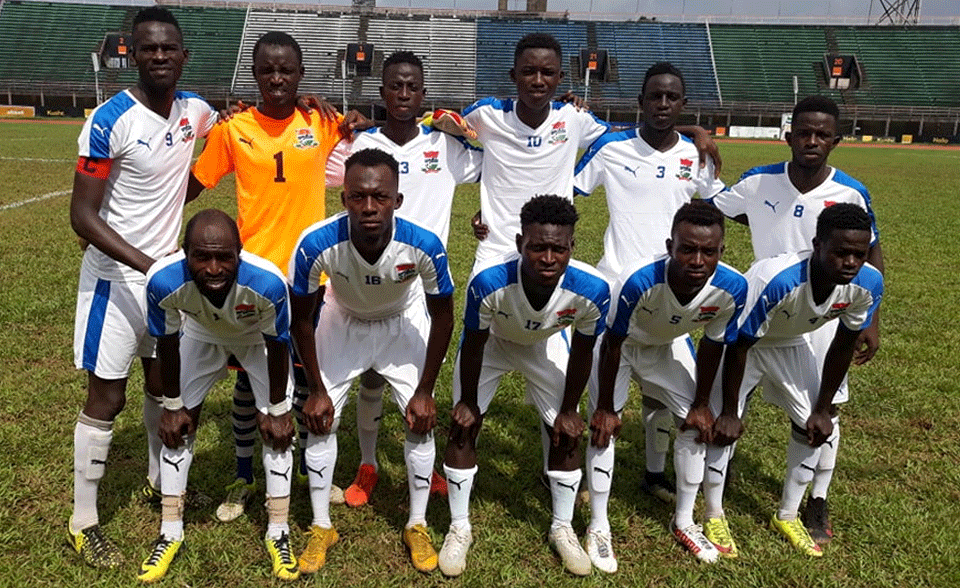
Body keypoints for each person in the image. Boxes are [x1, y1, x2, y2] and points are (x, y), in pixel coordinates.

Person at [68, 6, 217, 567]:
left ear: (184, 55)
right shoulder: (110, 120)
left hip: (164, 281)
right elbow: (83, 216)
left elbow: (233, 127)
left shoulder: (195, 111)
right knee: (107, 398)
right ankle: (83, 520)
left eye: (168, 48)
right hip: (115, 283)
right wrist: (148, 263)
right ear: (132, 53)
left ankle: (159, 483)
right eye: (148, 48)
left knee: (162, 387)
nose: (159, 56)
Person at [707, 95, 884, 543]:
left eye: (822, 134)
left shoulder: (851, 192)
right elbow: (716, 209)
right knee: (734, 397)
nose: (812, 141)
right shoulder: (758, 181)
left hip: (823, 316)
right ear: (789, 136)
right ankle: (720, 475)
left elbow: (871, 251)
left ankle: (816, 500)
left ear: (836, 141)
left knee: (824, 409)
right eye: (804, 132)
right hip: (768, 303)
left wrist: (871, 321)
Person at [189, 30, 349, 521]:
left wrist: (355, 119)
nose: (276, 78)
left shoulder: (320, 121)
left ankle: (300, 469)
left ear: (301, 75)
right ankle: (243, 476)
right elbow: (194, 184)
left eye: (286, 70)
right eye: (267, 70)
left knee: (303, 376)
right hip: (253, 277)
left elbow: (362, 135)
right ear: (255, 74)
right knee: (248, 383)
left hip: (309, 277)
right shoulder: (233, 129)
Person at [324, 50, 481, 507]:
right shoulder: (360, 143)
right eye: (396, 86)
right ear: (382, 92)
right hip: (365, 278)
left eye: (413, 87)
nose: (404, 94)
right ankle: (368, 463)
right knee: (371, 378)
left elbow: (498, 163)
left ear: (424, 95)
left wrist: (484, 215)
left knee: (418, 387)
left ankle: (425, 467)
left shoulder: (445, 146)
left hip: (423, 286)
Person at [289, 148, 455, 574]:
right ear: (343, 197)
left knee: (420, 419)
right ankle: (321, 526)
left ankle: (417, 523)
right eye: (357, 196)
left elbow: (443, 316)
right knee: (321, 417)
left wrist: (425, 390)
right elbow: (301, 318)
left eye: (380, 197)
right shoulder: (314, 243)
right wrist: (315, 388)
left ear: (397, 200)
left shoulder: (424, 244)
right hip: (342, 319)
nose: (368, 207)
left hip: (401, 321)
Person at [575, 62, 727, 511]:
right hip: (616, 297)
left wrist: (697, 135)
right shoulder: (611, 148)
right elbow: (565, 191)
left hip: (671, 299)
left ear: (683, 104)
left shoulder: (694, 156)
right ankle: (591, 492)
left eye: (672, 97)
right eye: (655, 96)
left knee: (678, 405)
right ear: (640, 102)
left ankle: (655, 474)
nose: (663, 103)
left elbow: (723, 203)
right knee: (604, 408)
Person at [438, 195, 610, 577]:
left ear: (572, 246)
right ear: (519, 244)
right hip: (493, 344)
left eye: (558, 249)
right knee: (463, 425)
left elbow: (583, 352)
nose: (548, 258)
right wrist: (468, 402)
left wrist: (570, 409)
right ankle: (459, 527)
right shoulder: (489, 281)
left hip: (544, 344)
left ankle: (562, 527)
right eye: (537, 247)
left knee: (566, 431)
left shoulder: (592, 289)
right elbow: (474, 343)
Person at [138, 210, 297, 582]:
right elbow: (167, 344)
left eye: (224, 257)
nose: (213, 268)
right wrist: (172, 406)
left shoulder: (268, 283)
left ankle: (279, 530)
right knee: (178, 427)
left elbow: (278, 346)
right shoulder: (162, 280)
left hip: (256, 339)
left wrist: (277, 408)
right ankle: (170, 532)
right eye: (201, 257)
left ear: (239, 252)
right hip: (201, 334)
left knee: (277, 430)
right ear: (185, 253)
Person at [716, 203, 883, 557]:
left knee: (815, 424)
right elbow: (738, 344)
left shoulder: (868, 282)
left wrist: (823, 407)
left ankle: (788, 515)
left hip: (791, 342)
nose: (851, 262)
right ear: (817, 245)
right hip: (746, 345)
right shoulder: (777, 279)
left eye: (859, 254)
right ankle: (713, 513)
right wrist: (731, 411)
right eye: (841, 252)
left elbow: (843, 345)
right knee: (721, 424)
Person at [587, 202, 746, 570]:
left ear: (722, 251)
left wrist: (702, 403)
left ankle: (684, 521)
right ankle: (598, 524)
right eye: (687, 249)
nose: (697, 260)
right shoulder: (638, 279)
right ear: (670, 246)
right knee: (603, 429)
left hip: (667, 346)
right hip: (620, 348)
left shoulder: (732, 286)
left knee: (696, 424)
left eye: (709, 251)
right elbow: (611, 343)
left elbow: (713, 345)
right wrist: (606, 407)